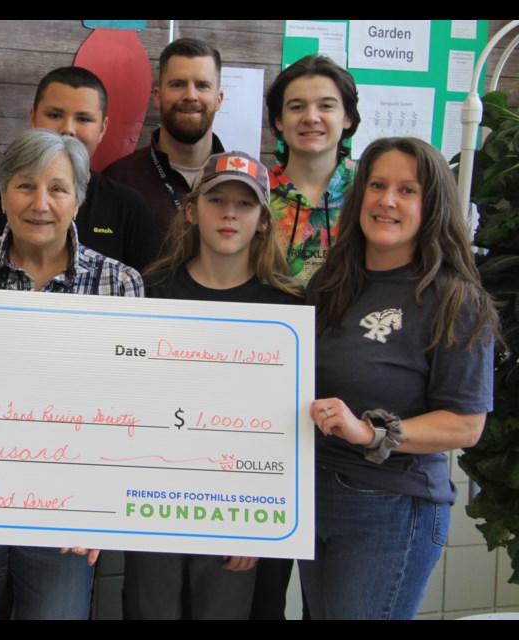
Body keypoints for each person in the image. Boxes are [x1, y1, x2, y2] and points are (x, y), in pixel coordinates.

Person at [0, 128, 143, 620]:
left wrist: (102, 509)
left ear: (79, 200)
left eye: (58, 188)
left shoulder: (120, 284)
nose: (40, 203)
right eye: (24, 185)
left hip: (65, 518)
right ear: (2, 196)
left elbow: (130, 409)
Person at [301, 137, 498, 620]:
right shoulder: (330, 285)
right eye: (377, 185)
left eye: (407, 190)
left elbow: (465, 426)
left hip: (391, 509)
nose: (387, 200)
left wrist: (371, 432)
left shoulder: (454, 300)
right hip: (315, 498)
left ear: (431, 207)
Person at [127, 151, 302, 620]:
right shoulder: (149, 292)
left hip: (237, 517)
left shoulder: (287, 308)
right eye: (216, 199)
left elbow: (286, 430)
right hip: (153, 506)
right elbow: (126, 402)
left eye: (244, 205)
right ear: (191, 209)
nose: (229, 213)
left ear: (263, 221)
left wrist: (254, 518)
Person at [0, 66, 161, 273]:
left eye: (83, 119)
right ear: (33, 117)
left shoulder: (128, 208)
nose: (68, 128)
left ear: (102, 128)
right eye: (54, 115)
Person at [103, 38, 226, 233]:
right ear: (158, 96)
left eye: (202, 85)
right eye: (178, 84)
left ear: (218, 99)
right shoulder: (117, 180)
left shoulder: (240, 179)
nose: (190, 95)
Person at [266, 54, 361, 287]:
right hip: (275, 322)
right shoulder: (255, 193)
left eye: (326, 106)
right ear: (279, 120)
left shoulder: (369, 189)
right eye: (297, 107)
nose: (310, 117)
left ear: (347, 117)